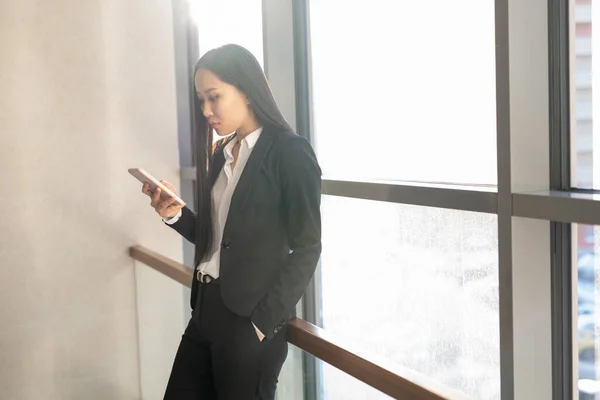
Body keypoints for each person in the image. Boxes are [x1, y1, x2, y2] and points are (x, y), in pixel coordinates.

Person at [141, 44, 322, 399]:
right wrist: (174, 214)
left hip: (247, 323)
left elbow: (307, 247)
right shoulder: (221, 153)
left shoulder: (290, 152)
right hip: (204, 310)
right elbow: (219, 239)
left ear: (247, 90)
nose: (206, 110)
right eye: (200, 100)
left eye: (214, 97)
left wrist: (261, 324)